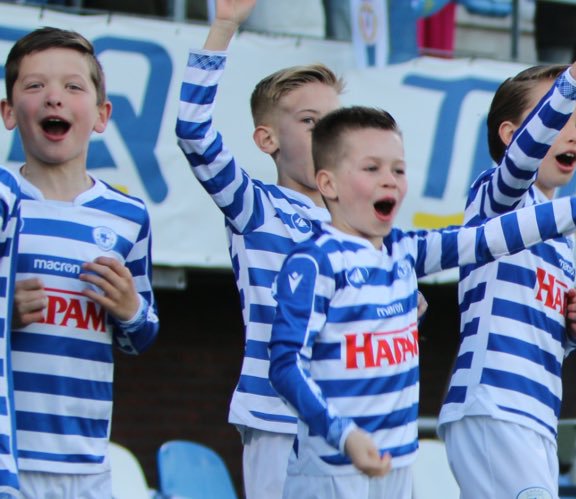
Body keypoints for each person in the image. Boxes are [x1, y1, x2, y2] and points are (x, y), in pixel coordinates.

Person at [268, 105, 576, 498]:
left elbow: (491, 237)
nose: (390, 182)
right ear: (328, 184)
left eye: (398, 170)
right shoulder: (314, 262)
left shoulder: (404, 251)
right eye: (371, 169)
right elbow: (286, 365)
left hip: (394, 465)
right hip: (329, 469)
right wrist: (343, 435)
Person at [436, 24, 576, 499]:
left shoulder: (559, 234)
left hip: (535, 414)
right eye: (559, 119)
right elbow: (521, 163)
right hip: (494, 405)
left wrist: (571, 334)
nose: (573, 134)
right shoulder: (497, 196)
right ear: (510, 135)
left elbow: (528, 328)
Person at [174, 2, 344, 496]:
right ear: (267, 138)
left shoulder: (356, 230)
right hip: (275, 415)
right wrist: (225, 26)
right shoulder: (257, 204)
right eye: (312, 121)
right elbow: (194, 133)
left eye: (336, 123)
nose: (328, 136)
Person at [2, 26, 159, 498]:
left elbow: (139, 338)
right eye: (35, 86)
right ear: (9, 112)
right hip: (10, 456)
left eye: (73, 86)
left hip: (90, 461)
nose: (54, 98)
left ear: (101, 114)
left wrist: (130, 309)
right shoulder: (5, 201)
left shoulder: (129, 216)